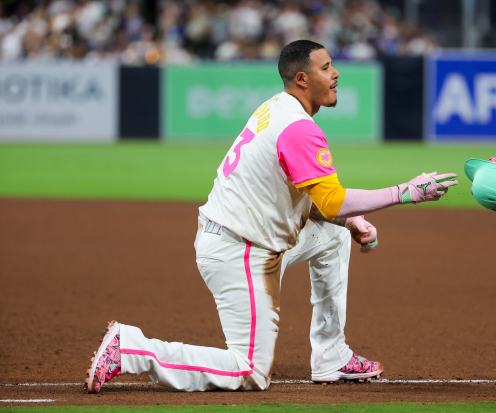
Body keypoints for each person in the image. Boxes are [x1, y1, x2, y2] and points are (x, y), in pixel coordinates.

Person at [84, 39, 458, 393]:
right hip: (239, 251)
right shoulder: (297, 128)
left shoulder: (277, 108)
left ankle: (331, 357)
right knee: (248, 371)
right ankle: (132, 348)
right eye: (326, 67)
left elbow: (309, 199)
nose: (336, 73)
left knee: (334, 238)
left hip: (244, 237)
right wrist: (406, 192)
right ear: (302, 79)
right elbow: (332, 201)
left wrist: (349, 221)